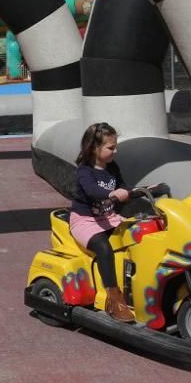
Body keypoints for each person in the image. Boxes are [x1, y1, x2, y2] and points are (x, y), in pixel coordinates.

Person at [69, 122, 135, 323]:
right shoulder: (85, 171)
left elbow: (123, 186)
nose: (116, 150)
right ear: (94, 148)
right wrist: (112, 193)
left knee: (139, 233)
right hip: (85, 221)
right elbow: (92, 191)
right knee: (104, 248)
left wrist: (134, 191)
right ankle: (114, 299)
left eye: (115, 146)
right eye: (111, 147)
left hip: (108, 217)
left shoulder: (112, 167)